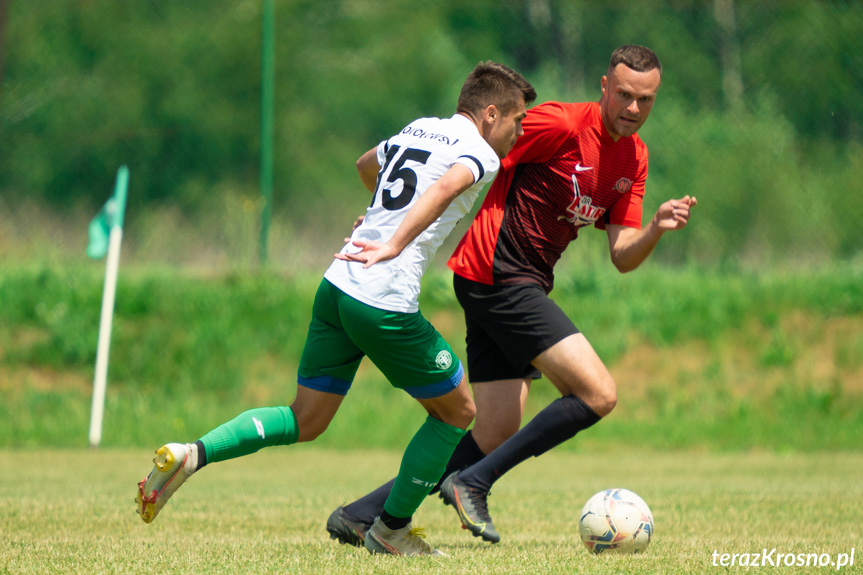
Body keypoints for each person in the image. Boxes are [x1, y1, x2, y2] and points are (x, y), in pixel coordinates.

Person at [134, 61, 536, 557]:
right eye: (518, 120)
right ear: (490, 113)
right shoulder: (481, 154)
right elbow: (444, 189)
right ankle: (390, 531)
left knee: (306, 419)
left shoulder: (420, 128)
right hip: (382, 300)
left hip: (337, 287)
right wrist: (393, 240)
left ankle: (193, 453)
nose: (520, 132)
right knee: (458, 413)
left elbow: (366, 165)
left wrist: (383, 214)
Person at [327, 44, 697, 546]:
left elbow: (622, 254)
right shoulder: (561, 125)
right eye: (625, 95)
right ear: (605, 87)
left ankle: (362, 514)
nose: (633, 109)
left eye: (646, 100)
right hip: (497, 271)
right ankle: (474, 483)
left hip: (516, 280)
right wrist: (388, 214)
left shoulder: (634, 158)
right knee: (598, 393)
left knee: (497, 427)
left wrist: (654, 227)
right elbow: (472, 155)